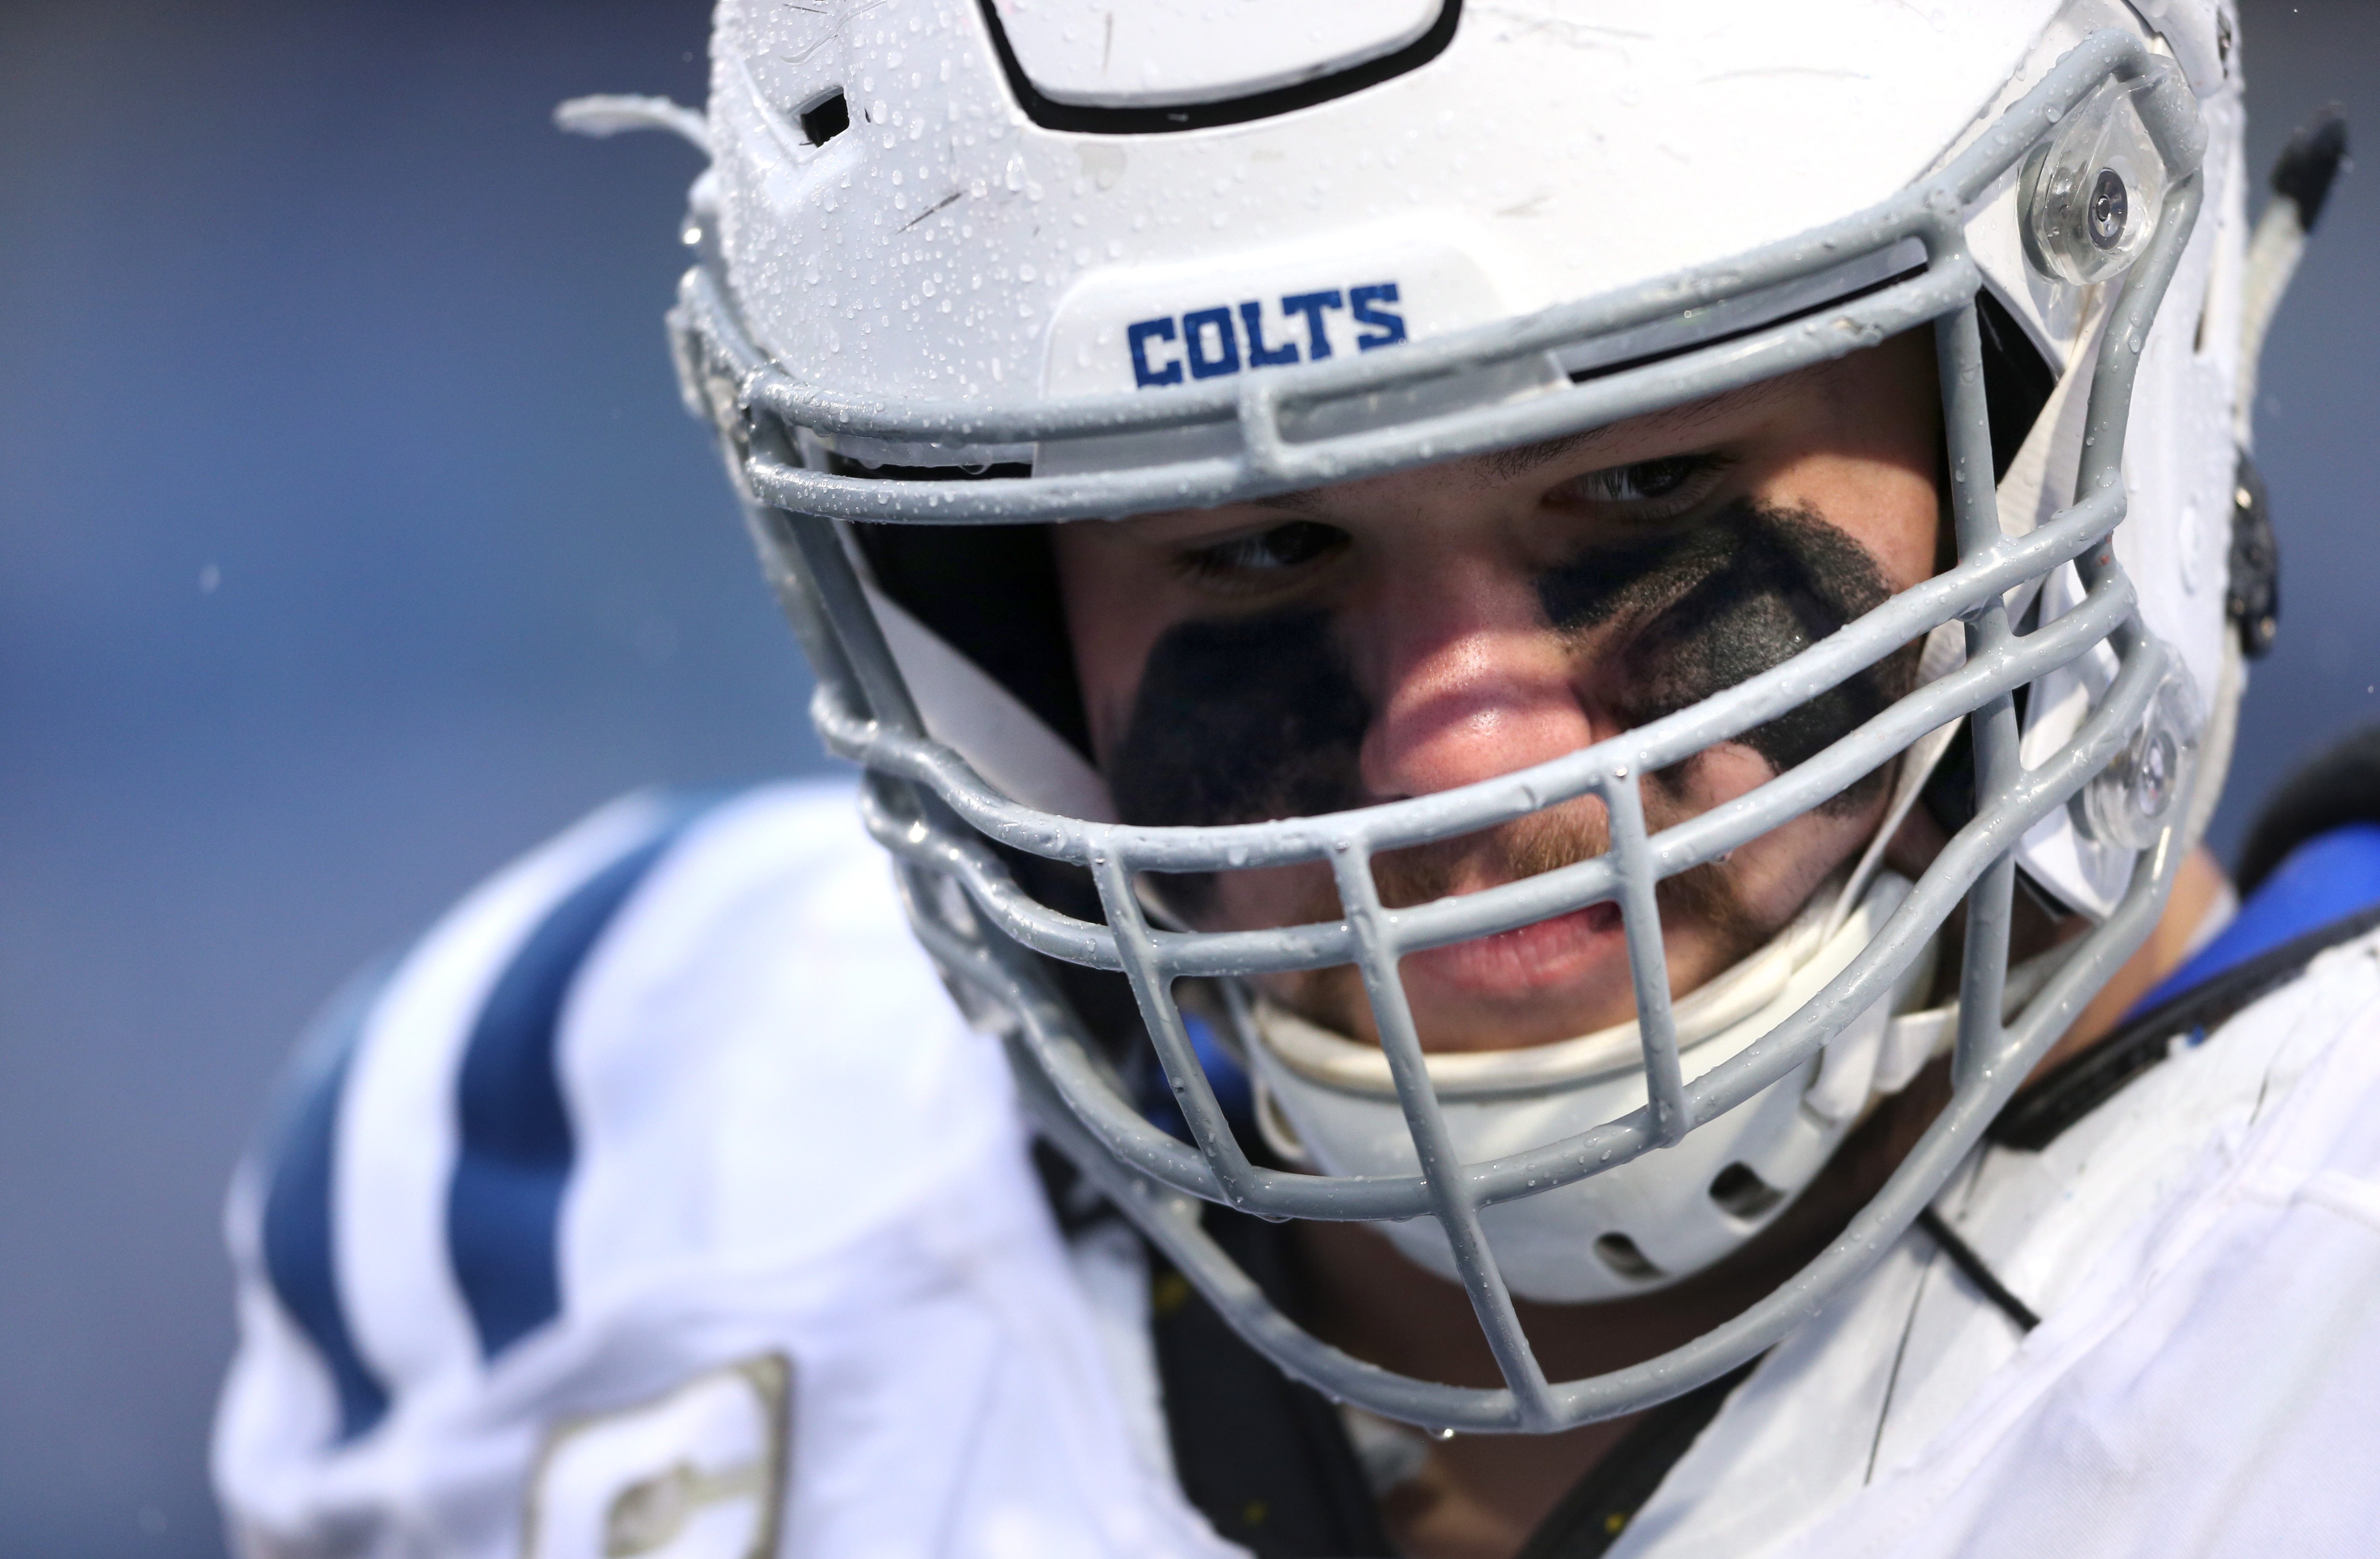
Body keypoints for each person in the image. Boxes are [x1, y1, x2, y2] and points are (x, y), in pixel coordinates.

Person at [214, 3, 2378, 1556]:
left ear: (2061, 388)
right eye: (1257, 543)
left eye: (1638, 482)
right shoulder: (602, 1181)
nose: (1462, 744)